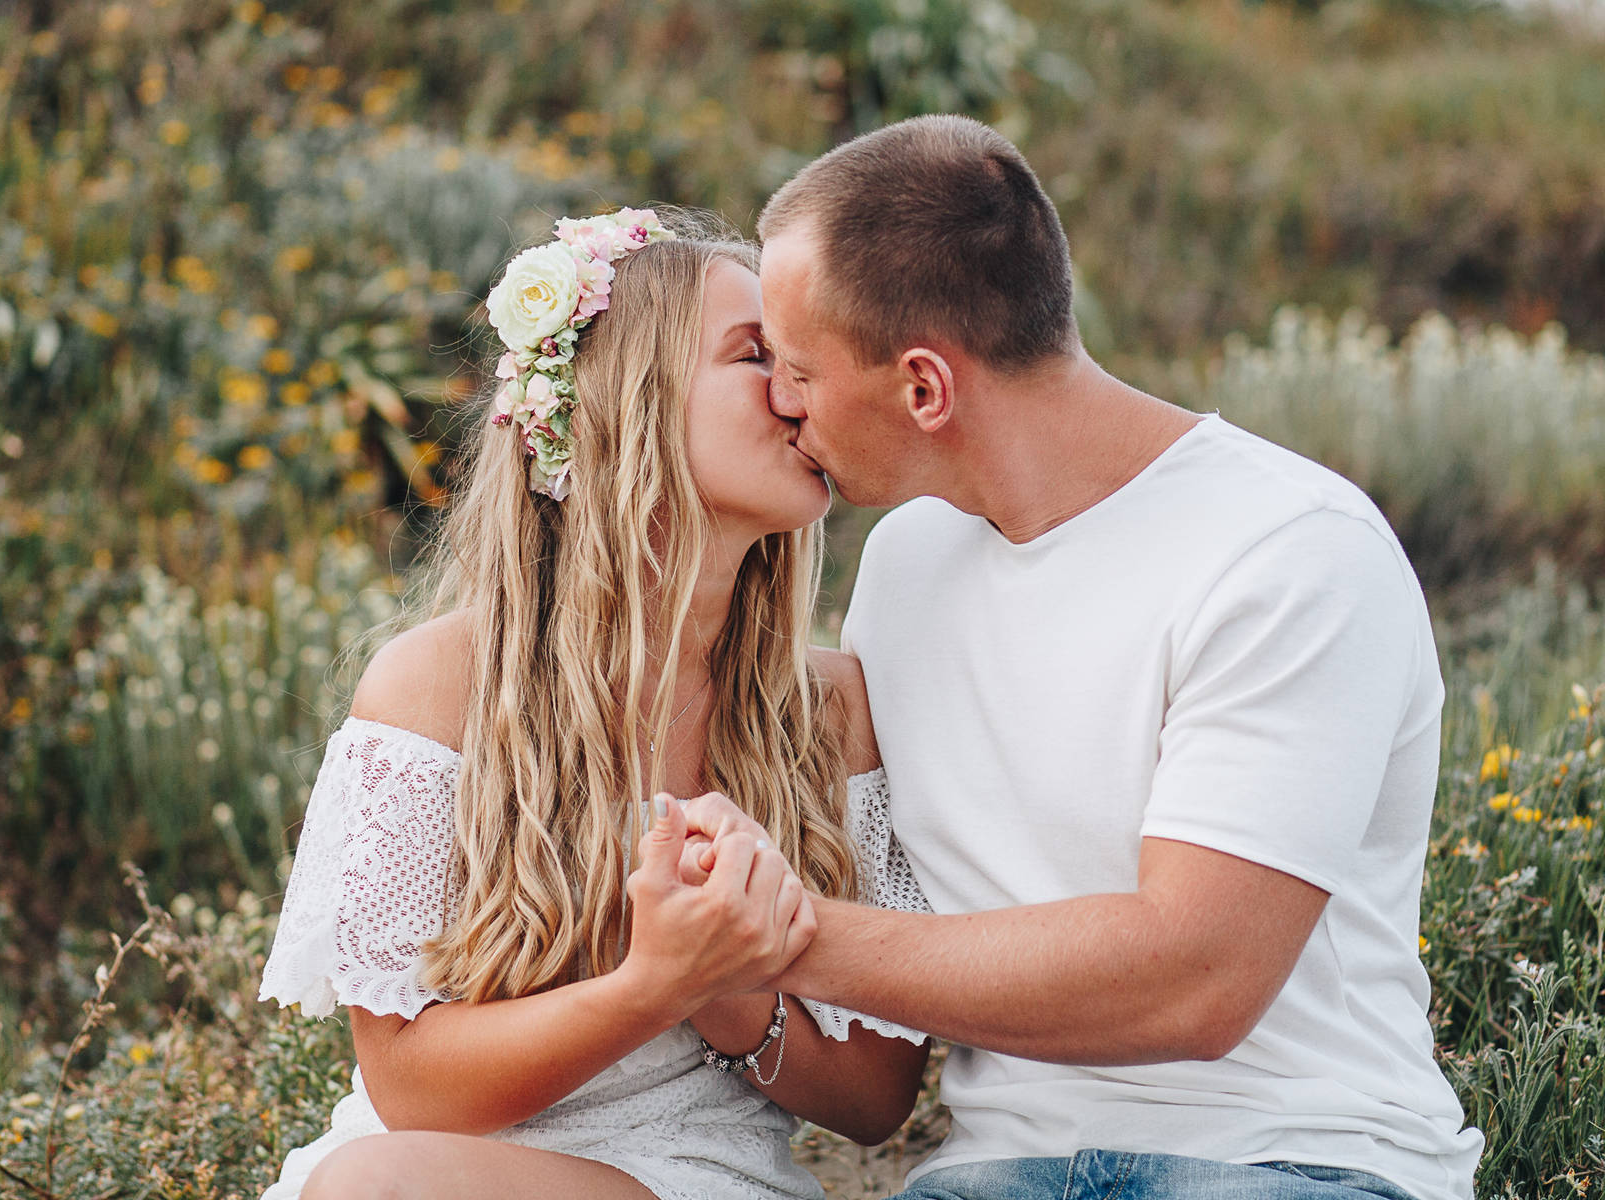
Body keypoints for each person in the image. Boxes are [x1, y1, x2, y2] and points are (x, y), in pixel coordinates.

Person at [674, 115, 1485, 1200]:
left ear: (925, 389)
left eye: (802, 370)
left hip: (1290, 1158)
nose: (781, 399)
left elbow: (1195, 982)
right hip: (994, 1174)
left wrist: (776, 935)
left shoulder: (1289, 552)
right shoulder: (907, 563)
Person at [253, 207, 932, 1200]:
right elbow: (410, 1090)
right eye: (756, 357)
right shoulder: (434, 688)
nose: (800, 395)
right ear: (627, 401)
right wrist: (655, 985)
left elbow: (876, 1100)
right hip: (435, 1163)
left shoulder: (829, 708)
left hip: (700, 1174)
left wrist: (733, 992)